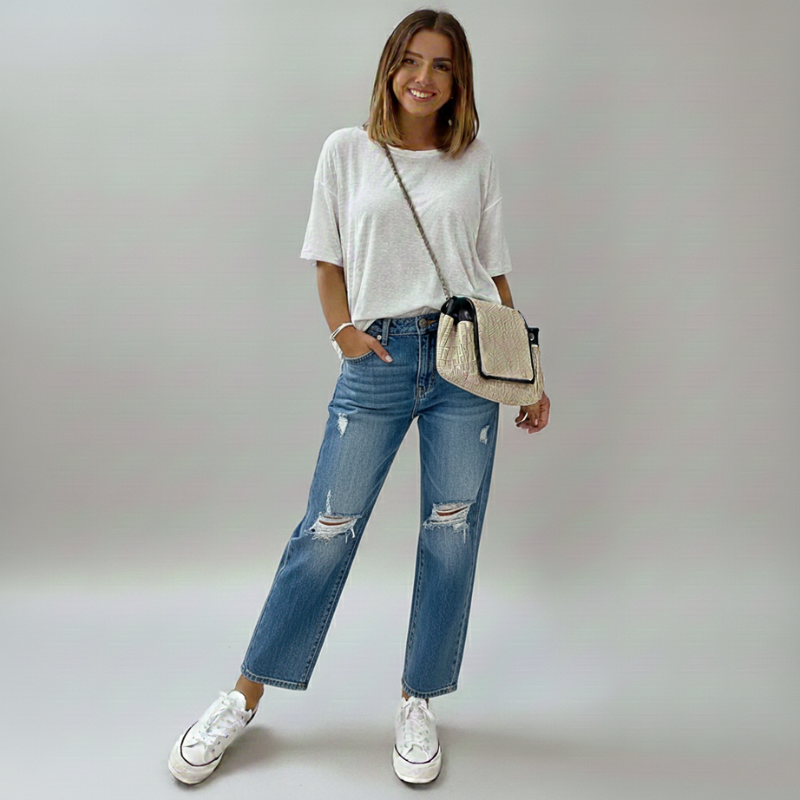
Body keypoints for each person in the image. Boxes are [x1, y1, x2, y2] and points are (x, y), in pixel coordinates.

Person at [168, 8, 550, 787]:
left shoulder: (473, 158)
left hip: (464, 364)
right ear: (388, 67)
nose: (424, 77)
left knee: (451, 533)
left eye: (442, 65)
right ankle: (241, 699)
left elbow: (494, 270)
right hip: (377, 356)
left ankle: (418, 700)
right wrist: (344, 333)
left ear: (458, 80)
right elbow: (326, 257)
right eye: (412, 60)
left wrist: (529, 375)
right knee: (325, 531)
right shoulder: (348, 150)